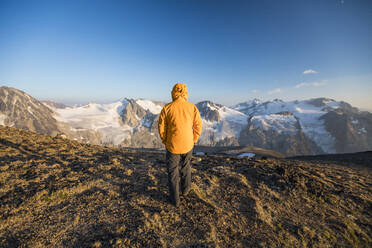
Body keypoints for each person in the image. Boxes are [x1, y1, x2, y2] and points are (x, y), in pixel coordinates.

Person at [158, 83, 202, 207]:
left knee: (172, 172)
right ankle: (186, 190)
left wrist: (165, 140)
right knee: (186, 167)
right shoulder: (192, 107)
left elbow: (161, 127)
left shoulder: (167, 108)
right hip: (188, 144)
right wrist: (194, 139)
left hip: (172, 145)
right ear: (186, 93)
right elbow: (198, 125)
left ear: (173, 92)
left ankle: (175, 200)